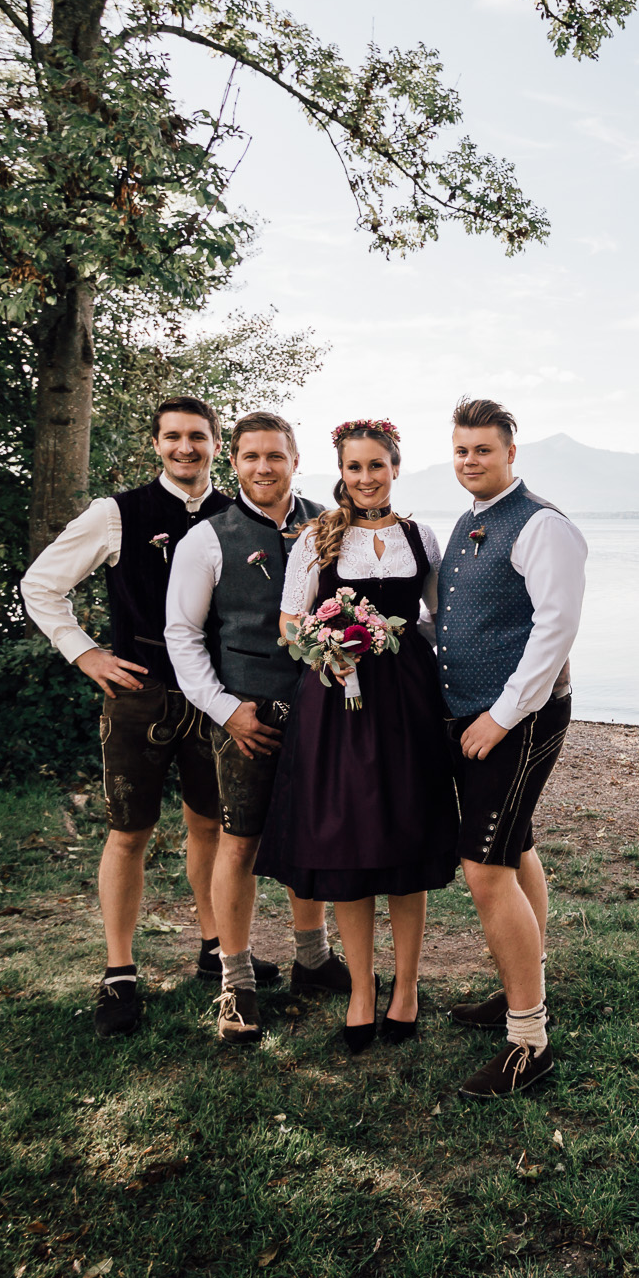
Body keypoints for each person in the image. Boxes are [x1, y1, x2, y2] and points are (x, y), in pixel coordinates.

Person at [20, 395, 243, 1038]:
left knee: (210, 828)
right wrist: (85, 652)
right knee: (128, 834)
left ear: (216, 444)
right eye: (172, 436)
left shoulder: (237, 515)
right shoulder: (115, 513)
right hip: (139, 695)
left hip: (213, 697)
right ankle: (119, 973)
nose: (185, 448)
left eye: (197, 436)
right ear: (156, 444)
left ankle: (214, 948)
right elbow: (41, 585)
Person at [255, 419, 460, 1053]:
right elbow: (289, 624)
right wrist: (329, 643)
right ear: (340, 472)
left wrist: (398, 643)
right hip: (336, 699)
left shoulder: (421, 537)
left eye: (377, 465)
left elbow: (439, 619)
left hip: (407, 703)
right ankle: (362, 990)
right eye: (354, 467)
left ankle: (407, 986)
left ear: (395, 467)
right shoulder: (317, 537)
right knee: (347, 839)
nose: (366, 477)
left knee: (404, 834)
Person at [162, 411, 352, 1045]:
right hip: (245, 715)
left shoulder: (332, 524)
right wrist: (225, 710)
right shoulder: (207, 538)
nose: (264, 467)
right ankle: (236, 981)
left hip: (322, 711)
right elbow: (182, 636)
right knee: (239, 842)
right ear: (234, 462)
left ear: (296, 460)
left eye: (276, 455)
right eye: (251, 456)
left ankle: (313, 959)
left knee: (313, 834)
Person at [434, 397, 587, 1099]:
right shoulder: (468, 519)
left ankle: (529, 1044)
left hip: (521, 717)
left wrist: (499, 717)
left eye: (483, 450)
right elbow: (458, 614)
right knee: (516, 846)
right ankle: (521, 987)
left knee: (485, 866)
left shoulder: (543, 525)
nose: (471, 461)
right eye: (462, 450)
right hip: (471, 713)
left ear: (510, 453)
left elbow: (556, 628)